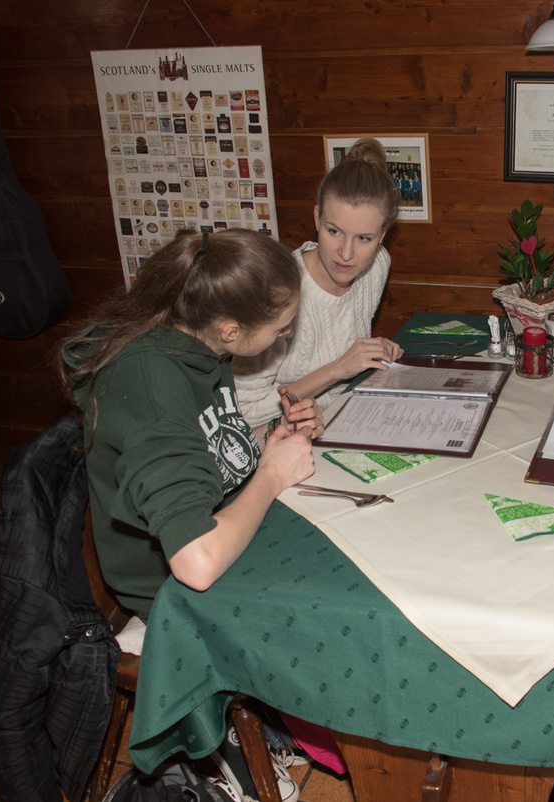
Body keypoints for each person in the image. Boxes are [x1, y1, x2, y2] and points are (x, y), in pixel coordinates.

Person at [59, 228, 322, 624]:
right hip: (173, 590)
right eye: (281, 328)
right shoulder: (151, 386)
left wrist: (274, 434)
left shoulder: (200, 346)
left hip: (223, 529)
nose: (286, 334)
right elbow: (196, 563)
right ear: (231, 329)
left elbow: (205, 447)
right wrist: (272, 475)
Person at [234, 137, 404, 426]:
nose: (346, 254)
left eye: (364, 238)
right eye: (334, 231)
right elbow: (245, 415)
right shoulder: (275, 290)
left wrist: (371, 351)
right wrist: (338, 369)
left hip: (345, 416)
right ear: (317, 218)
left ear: (383, 234)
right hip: (278, 436)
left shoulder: (377, 265)